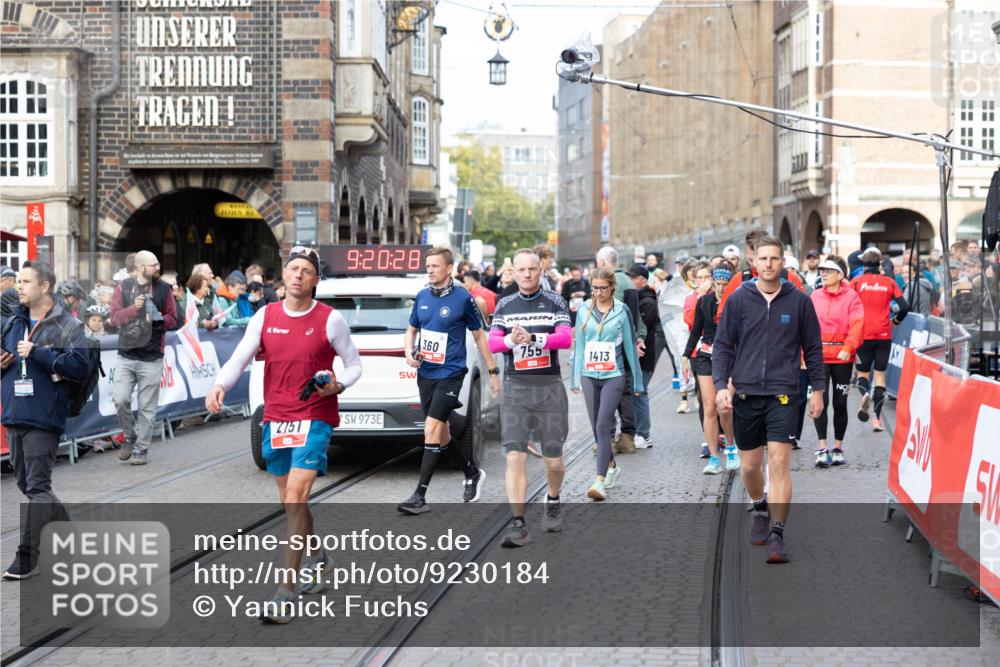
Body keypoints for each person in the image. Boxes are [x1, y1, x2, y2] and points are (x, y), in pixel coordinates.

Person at [206, 246, 362, 623]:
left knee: (295, 497)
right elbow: (240, 356)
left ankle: (285, 591)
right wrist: (219, 385)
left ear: (315, 280)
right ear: (285, 275)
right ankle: (320, 560)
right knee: (291, 503)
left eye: (306, 271)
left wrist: (337, 386)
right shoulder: (265, 316)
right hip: (277, 418)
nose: (297, 275)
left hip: (315, 416)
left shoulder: (330, 319)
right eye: (293, 269)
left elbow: (355, 365)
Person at [713, 236, 825, 563]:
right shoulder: (738, 300)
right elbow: (723, 346)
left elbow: (814, 348)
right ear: (754, 262)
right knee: (749, 467)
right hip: (746, 393)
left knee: (778, 462)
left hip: (784, 393)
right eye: (763, 259)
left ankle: (777, 532)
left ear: (782, 263)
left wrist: (817, 389)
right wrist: (722, 385)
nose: (768, 264)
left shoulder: (799, 301)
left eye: (774, 259)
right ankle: (759, 506)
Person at [1, 261, 90, 579]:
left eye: (26, 281)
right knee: (27, 484)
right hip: (15, 413)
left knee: (38, 487)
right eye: (19, 281)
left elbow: (79, 366)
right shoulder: (13, 322)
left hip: (44, 414)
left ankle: (26, 557)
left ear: (45, 287)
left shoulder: (65, 325)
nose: (19, 286)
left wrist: (37, 352)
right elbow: (6, 357)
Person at [398, 247, 499, 515]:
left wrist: (492, 372)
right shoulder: (421, 296)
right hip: (426, 373)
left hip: (452, 373)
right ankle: (471, 472)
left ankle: (419, 495)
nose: (429, 270)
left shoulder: (463, 298)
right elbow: (411, 330)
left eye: (434, 266)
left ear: (448, 268)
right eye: (427, 265)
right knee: (441, 434)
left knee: (430, 429)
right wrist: (409, 352)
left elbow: (479, 337)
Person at [489, 249, 573, 547]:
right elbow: (493, 342)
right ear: (512, 271)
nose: (526, 274)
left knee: (553, 459)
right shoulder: (505, 304)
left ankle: (553, 499)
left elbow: (565, 338)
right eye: (521, 269)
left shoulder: (555, 301)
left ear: (541, 270)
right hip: (516, 388)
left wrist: (534, 338)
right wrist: (513, 339)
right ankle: (518, 523)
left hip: (548, 386)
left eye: (532, 269)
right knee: (515, 455)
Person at [571, 268, 643, 501]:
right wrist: (574, 377)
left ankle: (599, 480)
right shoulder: (583, 310)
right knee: (596, 429)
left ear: (613, 287)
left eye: (603, 288)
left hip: (614, 374)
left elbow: (630, 347)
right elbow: (580, 345)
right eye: (595, 288)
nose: (599, 292)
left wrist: (638, 380)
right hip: (588, 374)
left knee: (603, 425)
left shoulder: (622, 311)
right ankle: (612, 466)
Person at [108, 250, 178, 466]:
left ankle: (141, 449)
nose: (158, 268)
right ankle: (129, 436)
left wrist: (155, 319)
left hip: (152, 356)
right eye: (153, 265)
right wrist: (133, 309)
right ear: (140, 268)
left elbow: (173, 318)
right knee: (120, 399)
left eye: (158, 264)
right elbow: (113, 318)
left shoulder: (164, 289)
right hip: (127, 355)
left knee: (147, 406)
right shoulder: (123, 287)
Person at [683, 261, 738, 474]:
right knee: (709, 407)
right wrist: (686, 355)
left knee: (725, 406)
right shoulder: (704, 302)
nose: (722, 287)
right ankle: (714, 458)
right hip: (706, 356)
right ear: (713, 281)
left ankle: (731, 447)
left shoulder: (736, 301)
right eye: (718, 282)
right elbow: (696, 330)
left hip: (730, 358)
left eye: (726, 283)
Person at [809, 255, 864, 467]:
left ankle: (838, 447)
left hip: (842, 357)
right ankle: (822, 448)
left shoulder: (852, 297)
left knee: (840, 403)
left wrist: (849, 347)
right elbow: (806, 325)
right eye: (822, 271)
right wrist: (804, 353)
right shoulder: (814, 296)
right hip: (819, 357)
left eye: (828, 271)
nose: (823, 274)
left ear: (840, 275)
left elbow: (858, 323)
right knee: (820, 402)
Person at [850, 247, 909, 432]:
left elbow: (847, 305)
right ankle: (876, 420)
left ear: (863, 265)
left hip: (863, 335)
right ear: (879, 265)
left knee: (862, 375)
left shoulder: (856, 282)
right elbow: (904, 306)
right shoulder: (889, 282)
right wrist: (896, 321)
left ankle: (865, 394)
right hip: (884, 335)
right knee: (880, 377)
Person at [595, 245, 645, 454]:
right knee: (625, 393)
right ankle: (627, 438)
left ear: (601, 263)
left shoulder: (607, 284)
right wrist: (637, 339)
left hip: (607, 346)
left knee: (606, 392)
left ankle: (609, 440)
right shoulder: (628, 280)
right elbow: (635, 316)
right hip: (625, 345)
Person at [719, 229, 804, 314]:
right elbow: (723, 315)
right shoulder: (738, 279)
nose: (767, 265)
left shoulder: (790, 278)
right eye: (751, 260)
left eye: (772, 258)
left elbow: (803, 312)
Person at [627, 264, 662, 449]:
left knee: (639, 392)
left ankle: (644, 434)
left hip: (644, 356)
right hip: (635, 356)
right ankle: (636, 432)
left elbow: (643, 330)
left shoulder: (647, 301)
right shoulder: (635, 298)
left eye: (633, 277)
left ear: (642, 279)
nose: (630, 281)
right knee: (634, 392)